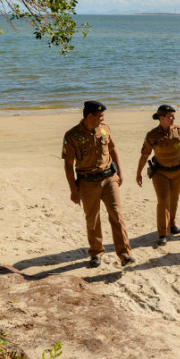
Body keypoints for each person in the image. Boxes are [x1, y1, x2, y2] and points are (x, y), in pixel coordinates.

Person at [62, 100, 135, 268]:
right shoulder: (72, 136)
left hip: (109, 179)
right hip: (87, 183)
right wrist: (73, 190)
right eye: (100, 116)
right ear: (90, 116)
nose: (103, 118)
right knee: (93, 220)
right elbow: (68, 164)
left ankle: (125, 254)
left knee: (117, 215)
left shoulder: (104, 128)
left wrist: (120, 173)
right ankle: (96, 253)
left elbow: (112, 149)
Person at [135, 104, 180, 246]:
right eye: (170, 116)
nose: (173, 118)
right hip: (160, 173)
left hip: (177, 173)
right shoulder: (152, 135)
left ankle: (172, 224)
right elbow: (144, 155)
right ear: (161, 118)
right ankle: (162, 233)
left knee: (174, 199)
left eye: (174, 116)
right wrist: (138, 173)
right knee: (163, 200)